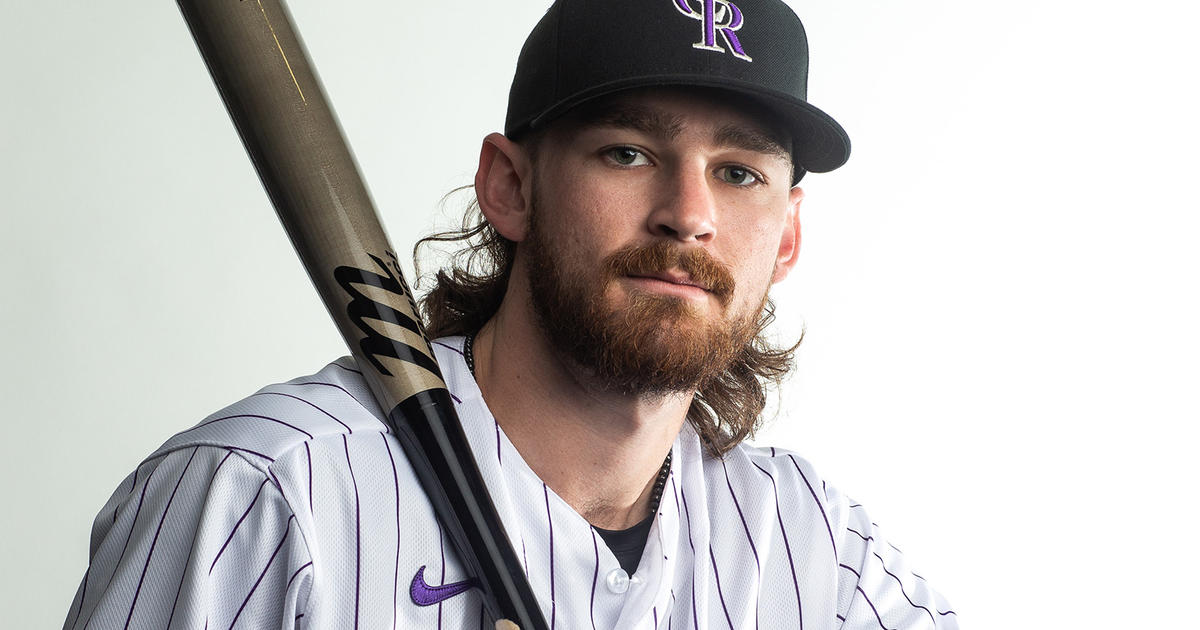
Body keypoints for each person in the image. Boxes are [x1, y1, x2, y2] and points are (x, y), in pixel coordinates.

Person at [64, 0, 958, 628]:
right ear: (510, 186)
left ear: (789, 237)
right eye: (627, 151)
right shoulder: (267, 494)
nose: (690, 212)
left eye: (739, 172)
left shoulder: (810, 544)